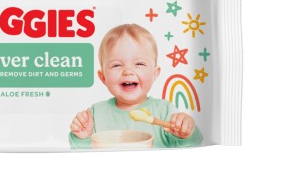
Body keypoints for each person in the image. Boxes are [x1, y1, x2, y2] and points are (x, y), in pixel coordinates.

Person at [69, 23, 203, 148]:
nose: (128, 71)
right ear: (103, 77)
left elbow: (190, 149)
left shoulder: (165, 111)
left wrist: (186, 134)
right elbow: (82, 155)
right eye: (116, 65)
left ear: (154, 74)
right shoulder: (96, 114)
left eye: (139, 64)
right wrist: (83, 137)